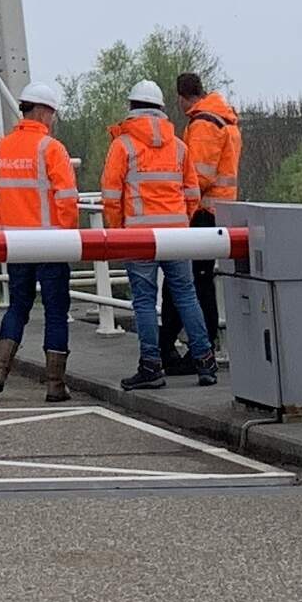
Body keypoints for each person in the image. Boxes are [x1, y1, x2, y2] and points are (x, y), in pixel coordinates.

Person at [0, 85, 77, 403]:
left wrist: (1, 230)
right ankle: (54, 385)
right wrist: (64, 235)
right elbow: (67, 199)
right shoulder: (52, 149)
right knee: (56, 312)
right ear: (44, 112)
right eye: (54, 114)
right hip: (50, 244)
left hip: (15, 244)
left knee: (18, 306)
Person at [100, 81, 199, 389]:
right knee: (186, 295)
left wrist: (119, 230)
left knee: (144, 301)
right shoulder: (179, 145)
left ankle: (151, 367)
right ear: (161, 110)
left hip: (139, 235)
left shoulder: (123, 145)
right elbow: (192, 193)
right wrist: (182, 221)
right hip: (178, 235)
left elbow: (110, 195)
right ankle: (205, 362)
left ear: (131, 108)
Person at [164, 71, 241, 382]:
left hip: (202, 212)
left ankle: (199, 348)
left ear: (182, 97)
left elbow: (198, 175)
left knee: (192, 282)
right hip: (220, 210)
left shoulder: (203, 124)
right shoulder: (224, 120)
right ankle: (185, 344)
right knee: (199, 280)